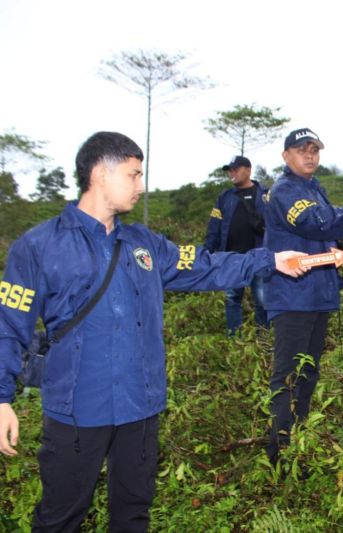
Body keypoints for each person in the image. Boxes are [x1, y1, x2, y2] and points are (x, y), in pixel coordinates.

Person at [0, 131, 307, 531]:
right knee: (60, 517)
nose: (141, 187)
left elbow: (205, 265)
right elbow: (9, 323)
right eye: (133, 175)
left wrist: (271, 259)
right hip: (76, 409)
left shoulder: (143, 243)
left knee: (133, 512)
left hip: (140, 407)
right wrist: (2, 397)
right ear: (100, 173)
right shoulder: (39, 246)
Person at [263, 128, 343, 466]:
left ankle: (300, 441)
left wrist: (339, 246)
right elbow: (314, 222)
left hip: (318, 295)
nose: (310, 156)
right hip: (293, 297)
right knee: (288, 376)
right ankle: (281, 453)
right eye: (302, 150)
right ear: (285, 156)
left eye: (314, 150)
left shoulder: (313, 188)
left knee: (308, 373)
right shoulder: (285, 192)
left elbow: (326, 232)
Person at [204, 155, 270, 336]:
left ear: (248, 170)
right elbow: (214, 226)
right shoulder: (224, 198)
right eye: (229, 171)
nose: (231, 173)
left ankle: (263, 339)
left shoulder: (266, 196)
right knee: (232, 298)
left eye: (235, 169)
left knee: (262, 300)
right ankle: (234, 338)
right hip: (232, 258)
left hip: (260, 258)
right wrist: (207, 253)